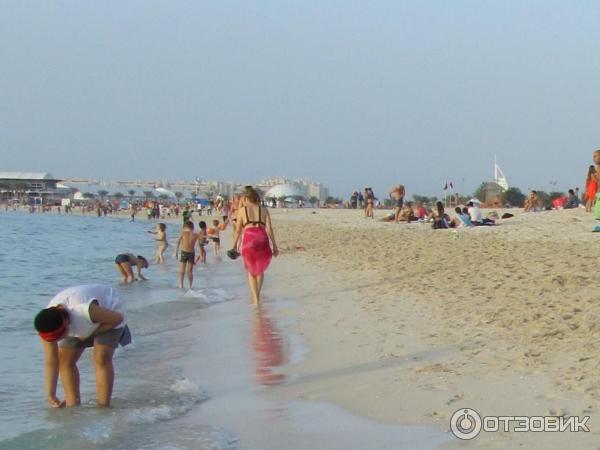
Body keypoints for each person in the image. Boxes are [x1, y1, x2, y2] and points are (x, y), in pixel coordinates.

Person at [34, 284, 131, 408]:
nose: (56, 341)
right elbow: (52, 361)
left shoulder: (83, 310)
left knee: (101, 358)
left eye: (58, 337)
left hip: (110, 312)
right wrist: (50, 393)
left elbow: (117, 319)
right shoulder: (47, 324)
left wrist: (90, 334)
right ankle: (73, 404)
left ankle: (103, 406)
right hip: (74, 321)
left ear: (66, 326)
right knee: (65, 361)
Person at [232, 186, 279, 304]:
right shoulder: (264, 210)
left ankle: (256, 299)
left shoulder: (242, 210)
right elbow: (269, 229)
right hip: (262, 237)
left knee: (251, 270)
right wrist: (274, 246)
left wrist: (234, 246)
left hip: (249, 239)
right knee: (260, 269)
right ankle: (258, 294)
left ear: (247, 198)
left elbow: (238, 230)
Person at [174, 221, 198, 289]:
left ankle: (181, 284)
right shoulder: (196, 235)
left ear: (184, 227)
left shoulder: (183, 233)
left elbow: (178, 242)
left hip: (184, 252)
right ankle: (190, 286)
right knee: (190, 271)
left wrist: (176, 252)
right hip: (191, 253)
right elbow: (200, 245)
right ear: (192, 227)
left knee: (182, 270)